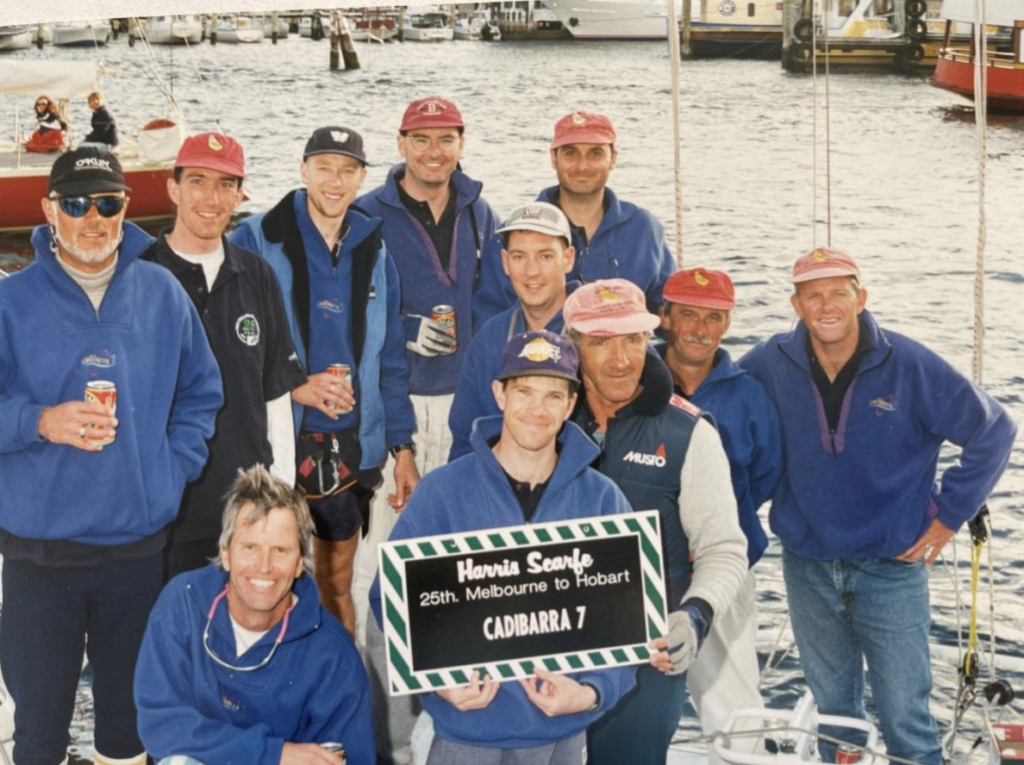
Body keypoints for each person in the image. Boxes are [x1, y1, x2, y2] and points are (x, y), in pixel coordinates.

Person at [740, 247, 1017, 765]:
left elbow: (995, 430)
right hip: (807, 565)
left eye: (838, 293)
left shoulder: (908, 363)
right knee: (834, 716)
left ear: (861, 298)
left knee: (905, 719)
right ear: (796, 305)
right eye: (813, 295)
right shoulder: (766, 363)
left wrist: (950, 517)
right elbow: (718, 409)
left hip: (892, 566)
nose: (826, 306)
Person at [0, 146, 223, 765]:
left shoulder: (161, 291)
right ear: (49, 210)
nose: (92, 218)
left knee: (129, 733)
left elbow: (202, 395)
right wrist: (38, 421)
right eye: (75, 203)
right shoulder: (9, 301)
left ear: (126, 208)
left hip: (136, 552)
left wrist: (170, 473)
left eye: (108, 202)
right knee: (40, 734)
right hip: (39, 556)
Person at [369, 330, 637, 765]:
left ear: (571, 405)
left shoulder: (603, 501)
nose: (537, 408)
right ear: (499, 394)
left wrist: (590, 693)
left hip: (561, 738)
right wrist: (436, 680)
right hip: (465, 736)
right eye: (525, 391)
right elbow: (388, 598)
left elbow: (629, 626)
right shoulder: (441, 493)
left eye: (553, 396)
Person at [229, 126, 418, 639]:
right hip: (280, 443)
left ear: (361, 177)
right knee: (267, 581)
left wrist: (402, 447)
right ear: (303, 170)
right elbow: (228, 341)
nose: (335, 181)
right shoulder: (256, 238)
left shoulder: (373, 248)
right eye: (324, 167)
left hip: (351, 444)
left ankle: (339, 699)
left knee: (337, 581)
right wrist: (292, 384)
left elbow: (392, 357)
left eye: (347, 170)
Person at [559, 278, 748, 765]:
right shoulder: (542, 420)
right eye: (600, 342)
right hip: (549, 642)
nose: (620, 359)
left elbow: (724, 549)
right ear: (573, 345)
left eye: (632, 340)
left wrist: (694, 616)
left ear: (650, 339)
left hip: (645, 654)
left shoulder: (690, 433)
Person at [353, 94, 498, 638]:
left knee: (456, 548)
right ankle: (369, 697)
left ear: (462, 143)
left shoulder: (481, 213)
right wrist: (400, 440)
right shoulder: (366, 215)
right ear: (400, 144)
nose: (433, 152)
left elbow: (495, 306)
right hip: (399, 404)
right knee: (379, 553)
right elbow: (356, 328)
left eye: (445, 139)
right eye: (421, 139)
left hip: (463, 404)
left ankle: (446, 685)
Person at [143, 132, 306, 579]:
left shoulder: (256, 274)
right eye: (197, 181)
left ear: (240, 194)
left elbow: (276, 392)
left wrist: (280, 493)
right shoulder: (139, 276)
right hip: (163, 509)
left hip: (244, 508)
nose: (211, 198)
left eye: (225, 185)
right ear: (173, 188)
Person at [134, 464, 375, 765]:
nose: (264, 566)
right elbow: (160, 725)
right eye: (250, 547)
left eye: (281, 551)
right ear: (225, 552)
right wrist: (272, 754)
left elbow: (351, 757)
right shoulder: (182, 603)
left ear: (301, 561)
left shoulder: (334, 657)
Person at [658, 267, 783, 761]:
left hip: (722, 573)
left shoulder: (749, 393)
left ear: (727, 324)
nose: (699, 329)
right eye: (687, 314)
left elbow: (767, 472)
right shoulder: (633, 378)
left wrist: (718, 535)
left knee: (733, 706)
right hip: (644, 570)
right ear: (664, 317)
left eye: (713, 317)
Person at [474, 110, 675, 325]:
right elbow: (489, 317)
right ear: (554, 158)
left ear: (613, 158)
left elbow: (668, 314)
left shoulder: (644, 229)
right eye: (570, 153)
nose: (582, 165)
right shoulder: (513, 235)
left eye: (595, 153)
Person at [448, 201, 576, 461]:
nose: (531, 271)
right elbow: (465, 439)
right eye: (519, 257)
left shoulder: (598, 331)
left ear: (568, 259)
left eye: (545, 256)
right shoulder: (490, 337)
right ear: (505, 262)